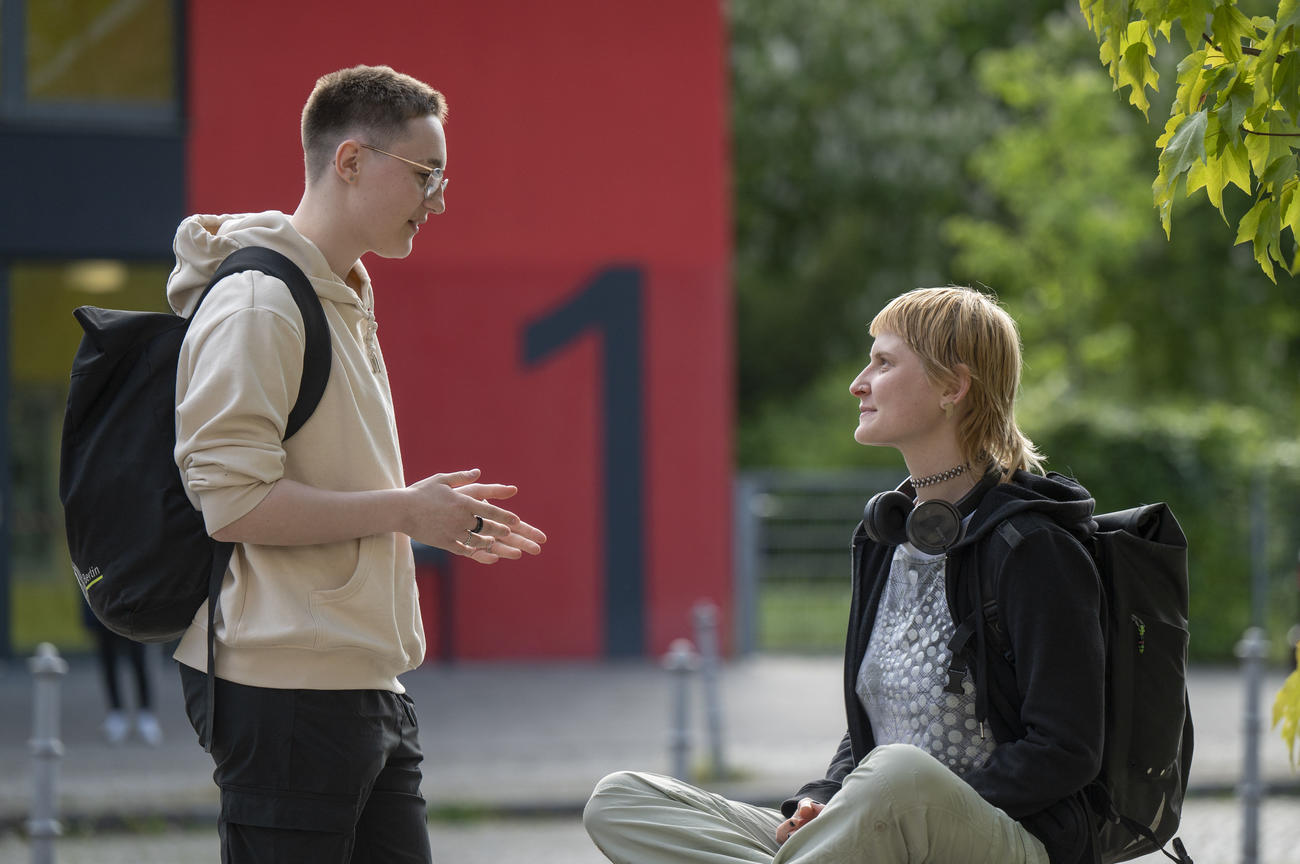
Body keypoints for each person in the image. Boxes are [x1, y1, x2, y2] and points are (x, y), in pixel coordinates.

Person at [168, 64, 547, 863]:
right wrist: (407, 511)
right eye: (425, 175)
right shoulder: (261, 303)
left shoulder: (337, 292)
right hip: (285, 690)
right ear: (348, 161)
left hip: (359, 681)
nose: (439, 199)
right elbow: (232, 506)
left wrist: (419, 512)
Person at [584, 286, 1104, 864]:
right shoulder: (887, 538)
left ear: (952, 388)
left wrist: (896, 811)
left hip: (1008, 838)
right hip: (875, 825)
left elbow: (1066, 748)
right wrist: (824, 799)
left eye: (883, 363)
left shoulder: (1033, 547)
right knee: (622, 800)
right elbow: (874, 730)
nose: (859, 383)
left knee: (901, 771)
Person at [81, 603, 163, 746]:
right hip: (104, 608)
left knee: (140, 661)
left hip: (134, 610)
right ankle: (116, 713)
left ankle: (146, 714)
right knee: (109, 663)